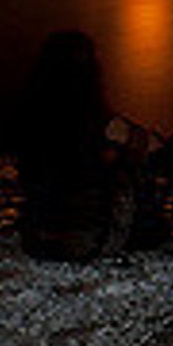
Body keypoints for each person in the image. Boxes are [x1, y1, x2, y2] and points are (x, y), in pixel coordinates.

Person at [15, 30, 156, 261]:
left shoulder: (29, 114)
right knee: (129, 162)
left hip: (36, 238)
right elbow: (145, 143)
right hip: (85, 240)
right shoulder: (95, 117)